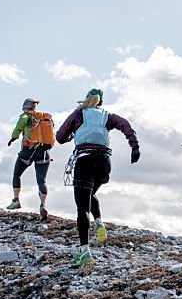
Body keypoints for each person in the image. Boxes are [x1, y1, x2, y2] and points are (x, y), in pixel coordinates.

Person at [56, 88, 141, 267]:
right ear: (100, 102)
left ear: (87, 99)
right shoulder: (107, 116)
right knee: (90, 194)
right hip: (104, 163)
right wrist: (134, 146)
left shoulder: (78, 114)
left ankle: (84, 251)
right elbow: (125, 124)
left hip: (84, 160)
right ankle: (99, 223)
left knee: (82, 206)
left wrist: (72, 134)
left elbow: (60, 137)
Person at [6, 98, 54, 220]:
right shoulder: (44, 117)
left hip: (28, 151)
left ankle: (16, 200)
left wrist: (13, 137)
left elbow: (19, 125)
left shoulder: (26, 116)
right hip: (44, 152)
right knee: (41, 180)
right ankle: (43, 205)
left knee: (17, 173)